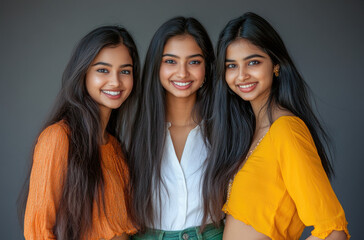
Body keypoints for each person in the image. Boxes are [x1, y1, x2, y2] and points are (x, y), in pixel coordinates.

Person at [203, 12, 350, 240]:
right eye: (232, 65)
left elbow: (333, 232)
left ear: (276, 65)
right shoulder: (248, 132)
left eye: (253, 62)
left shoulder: (286, 130)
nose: (241, 76)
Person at [18, 26, 140, 240]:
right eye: (103, 70)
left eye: (125, 71)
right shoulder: (58, 138)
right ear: (83, 73)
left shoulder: (114, 146)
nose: (115, 81)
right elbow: (38, 232)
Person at [127, 17, 223, 239]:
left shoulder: (224, 130)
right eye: (170, 61)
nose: (182, 73)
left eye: (194, 62)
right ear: (156, 66)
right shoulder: (131, 130)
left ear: (207, 68)